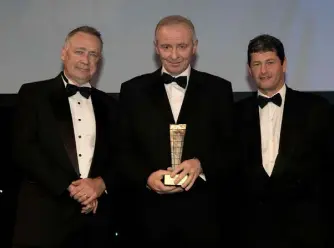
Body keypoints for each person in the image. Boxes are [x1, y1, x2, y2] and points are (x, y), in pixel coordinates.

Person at [117, 15, 235, 247]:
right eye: (166, 47)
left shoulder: (218, 89)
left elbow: (231, 148)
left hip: (203, 217)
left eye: (181, 46)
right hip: (147, 217)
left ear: (195, 46)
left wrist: (201, 164)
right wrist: (146, 177)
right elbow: (122, 149)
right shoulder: (132, 90)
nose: (173, 55)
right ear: (155, 47)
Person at [11, 26, 119, 248]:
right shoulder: (33, 94)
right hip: (43, 217)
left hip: (93, 220)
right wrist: (72, 188)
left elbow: (120, 156)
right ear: (64, 53)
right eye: (80, 51)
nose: (86, 60)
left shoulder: (110, 105)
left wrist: (100, 184)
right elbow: (24, 149)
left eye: (93, 54)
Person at [234, 34, 333, 247]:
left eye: (270, 62)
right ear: (249, 69)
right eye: (257, 64)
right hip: (251, 233)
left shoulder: (317, 109)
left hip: (307, 232)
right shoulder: (233, 114)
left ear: (284, 64)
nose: (263, 71)